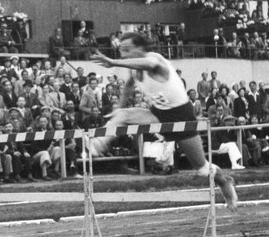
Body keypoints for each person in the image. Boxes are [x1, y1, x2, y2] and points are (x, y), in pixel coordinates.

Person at [90, 32, 238, 212]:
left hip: (181, 117)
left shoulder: (155, 59)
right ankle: (97, 144)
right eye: (121, 50)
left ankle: (224, 181)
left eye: (127, 50)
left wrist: (113, 62)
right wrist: (119, 106)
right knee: (121, 115)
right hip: (158, 115)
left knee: (201, 169)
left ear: (141, 48)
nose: (124, 54)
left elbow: (149, 64)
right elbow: (128, 86)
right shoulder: (134, 70)